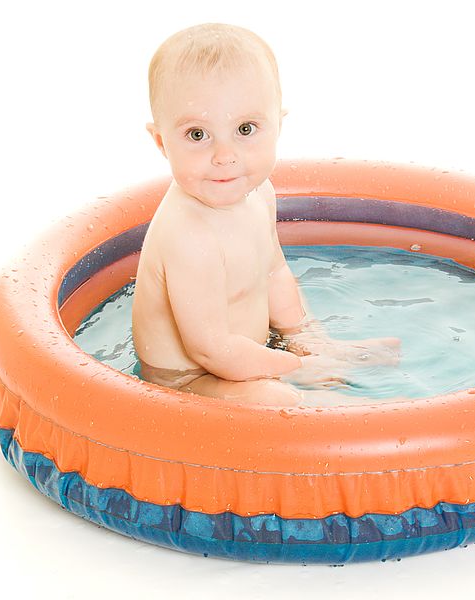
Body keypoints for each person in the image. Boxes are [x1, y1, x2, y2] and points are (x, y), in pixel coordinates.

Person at [132, 23, 400, 405]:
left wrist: (306, 340)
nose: (225, 156)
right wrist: (297, 370)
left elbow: (274, 272)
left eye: (245, 129)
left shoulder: (258, 193)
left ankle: (317, 359)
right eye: (197, 134)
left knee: (365, 355)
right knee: (279, 402)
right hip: (188, 380)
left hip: (246, 354)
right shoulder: (188, 236)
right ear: (162, 142)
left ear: (277, 125)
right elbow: (210, 349)